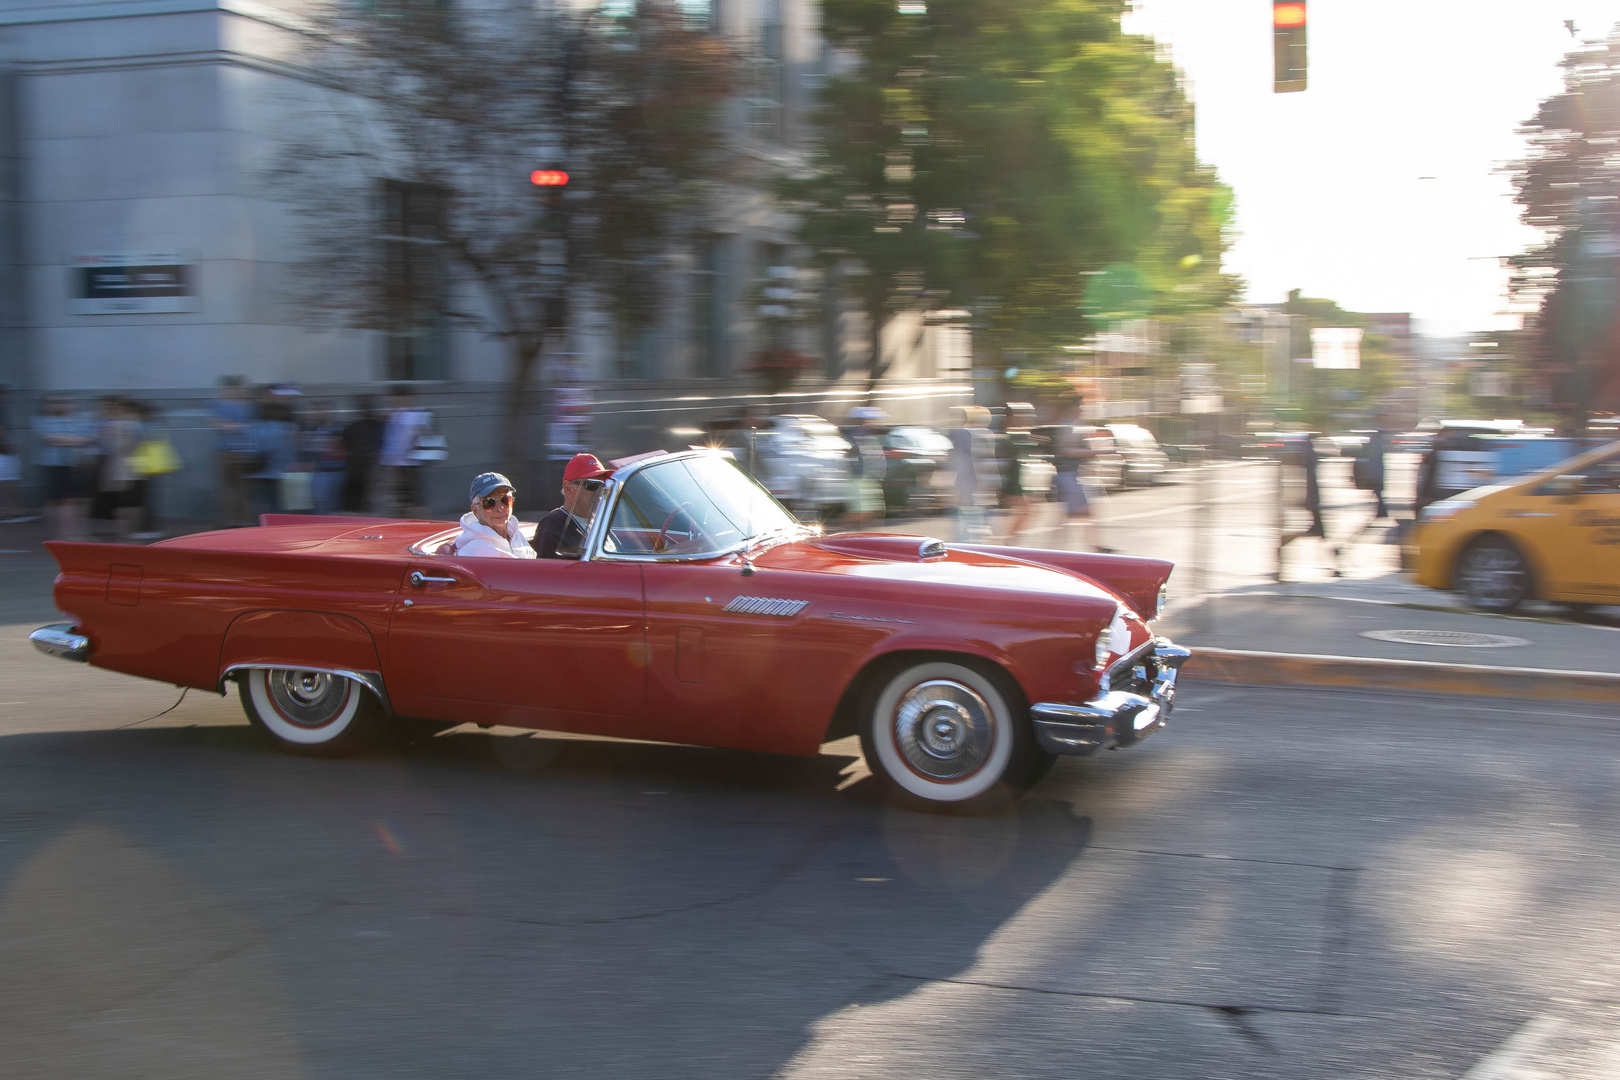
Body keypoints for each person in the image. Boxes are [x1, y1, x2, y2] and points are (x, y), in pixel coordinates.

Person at [33, 395, 93, 540]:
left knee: (74, 499)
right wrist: (73, 440)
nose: (59, 406)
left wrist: (68, 440)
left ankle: (75, 532)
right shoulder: (42, 421)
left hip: (74, 464)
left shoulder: (78, 420)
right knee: (53, 500)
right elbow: (50, 439)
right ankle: (59, 533)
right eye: (53, 403)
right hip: (52, 464)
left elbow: (87, 439)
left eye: (63, 403)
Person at [537, 453, 612, 558]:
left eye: (604, 486)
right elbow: (549, 571)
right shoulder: (555, 524)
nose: (599, 492)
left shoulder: (600, 523)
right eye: (592, 485)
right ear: (568, 489)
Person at [210, 375, 258, 528]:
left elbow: (222, 426)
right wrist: (241, 427)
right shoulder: (220, 405)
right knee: (233, 488)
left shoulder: (248, 406)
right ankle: (234, 521)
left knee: (242, 488)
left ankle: (241, 520)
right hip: (229, 451)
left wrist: (233, 426)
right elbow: (219, 426)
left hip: (242, 451)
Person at [378, 386, 434, 517]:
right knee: (398, 496)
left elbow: (424, 434)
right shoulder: (393, 415)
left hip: (412, 462)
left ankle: (416, 520)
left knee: (414, 497)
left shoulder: (419, 414)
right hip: (393, 462)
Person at [453, 472, 535, 558]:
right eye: (489, 502)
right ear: (475, 510)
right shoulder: (474, 551)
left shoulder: (516, 534)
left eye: (505, 500)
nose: (500, 508)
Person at [340, 396, 382, 513]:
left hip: (368, 464)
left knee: (367, 492)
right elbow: (346, 442)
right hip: (357, 466)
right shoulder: (354, 426)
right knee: (358, 492)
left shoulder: (377, 425)